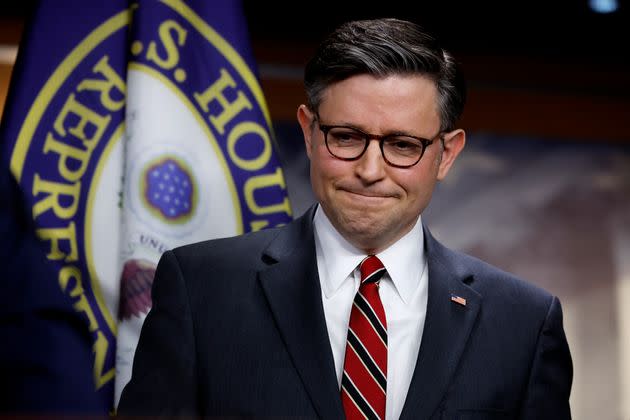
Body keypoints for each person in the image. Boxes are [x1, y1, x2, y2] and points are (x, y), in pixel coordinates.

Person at [117, 17, 573, 419]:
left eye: (402, 145)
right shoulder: (200, 290)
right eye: (347, 136)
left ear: (447, 153)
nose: (370, 171)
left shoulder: (524, 323)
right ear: (309, 131)